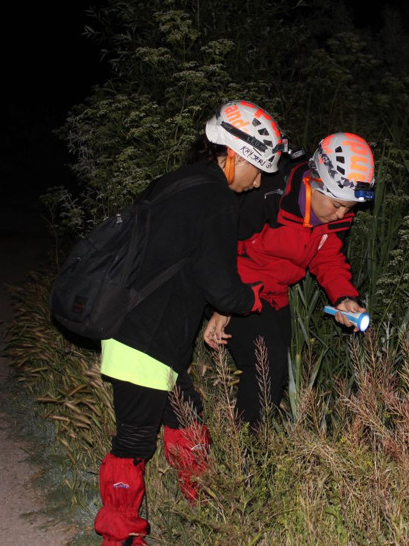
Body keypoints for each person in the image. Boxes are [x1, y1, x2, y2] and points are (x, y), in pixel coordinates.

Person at [94, 100, 285, 545]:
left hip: (146, 331)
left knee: (187, 413)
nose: (259, 182)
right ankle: (120, 537)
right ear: (233, 156)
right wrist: (251, 298)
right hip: (144, 338)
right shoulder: (215, 199)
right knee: (134, 442)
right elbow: (220, 284)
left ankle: (200, 500)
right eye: (257, 170)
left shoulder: (177, 182)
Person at [203, 132, 375, 427]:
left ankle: (252, 438)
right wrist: (224, 304)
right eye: (336, 204)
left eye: (350, 207)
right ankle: (250, 452)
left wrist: (345, 298)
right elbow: (219, 249)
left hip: (275, 293)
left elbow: (328, 257)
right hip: (237, 285)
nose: (341, 214)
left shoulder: (338, 212)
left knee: (276, 372)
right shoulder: (267, 197)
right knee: (265, 366)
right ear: (314, 182)